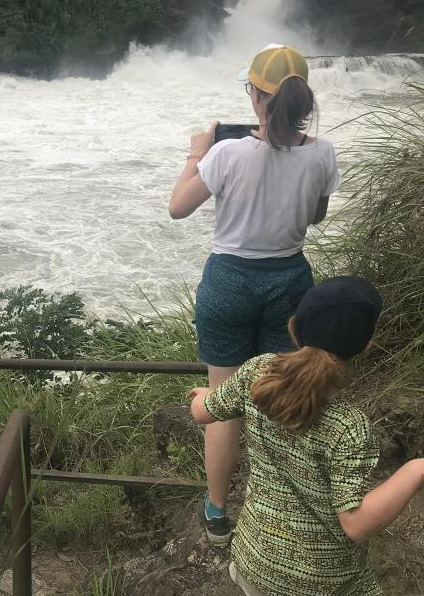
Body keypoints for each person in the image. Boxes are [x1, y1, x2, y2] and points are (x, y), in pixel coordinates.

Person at [168, 43, 342, 544]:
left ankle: (217, 513)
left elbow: (178, 207)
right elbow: (316, 216)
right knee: (280, 398)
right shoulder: (322, 153)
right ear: (302, 100)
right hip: (289, 281)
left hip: (228, 282)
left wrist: (196, 154)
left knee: (225, 400)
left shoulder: (226, 153)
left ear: (258, 97)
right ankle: (282, 511)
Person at [189, 276, 424, 596]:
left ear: (293, 328)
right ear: (365, 346)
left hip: (257, 561)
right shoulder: (348, 427)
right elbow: (355, 523)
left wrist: (205, 395)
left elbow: (202, 412)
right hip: (324, 582)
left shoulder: (257, 371)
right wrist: (417, 469)